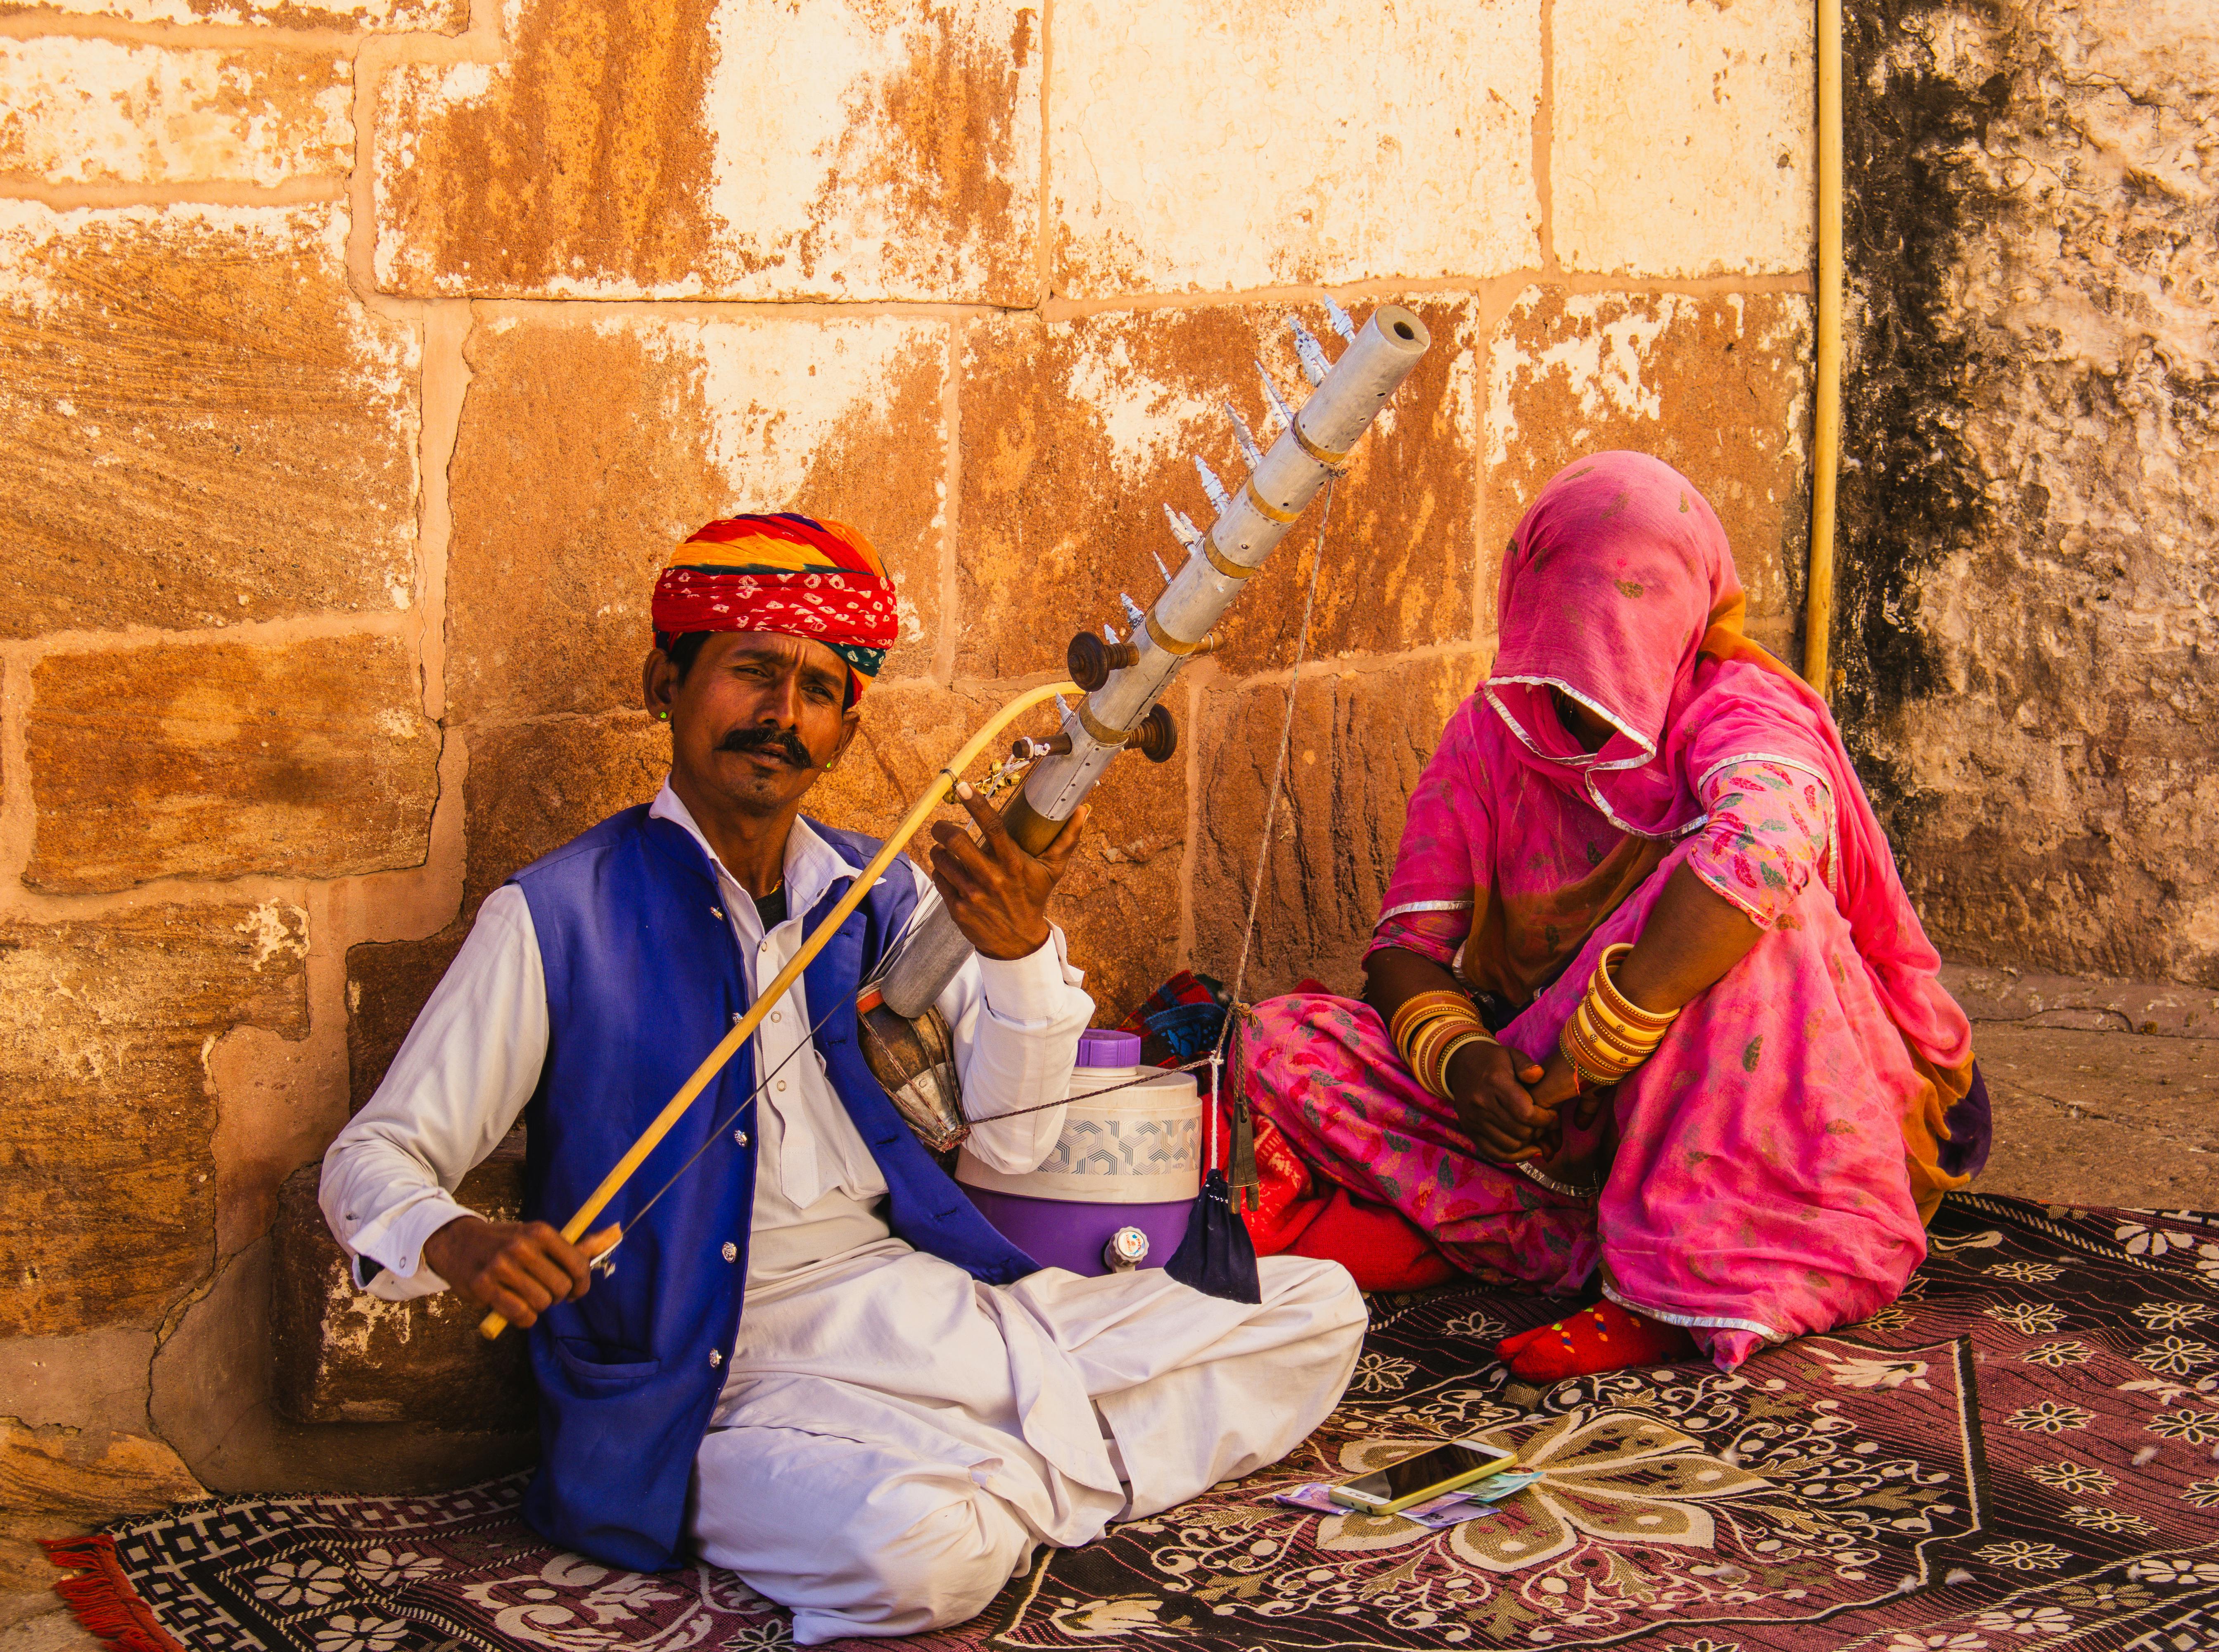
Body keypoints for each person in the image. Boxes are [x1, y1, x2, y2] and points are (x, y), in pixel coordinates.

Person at [322, 512, 1367, 1641]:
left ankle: (1003, 1470)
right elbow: (371, 1156)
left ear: (847, 728)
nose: (782, 717)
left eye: (819, 691)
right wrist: (456, 1240)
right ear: (664, 680)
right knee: (916, 1556)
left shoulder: (884, 897)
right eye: (753, 674)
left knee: (1317, 1310)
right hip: (716, 1382)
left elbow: (1013, 1148)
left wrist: (1016, 950)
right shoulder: (555, 917)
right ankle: (1038, 1465)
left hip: (924, 1309)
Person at [1234, 453, 1989, 1382]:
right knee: (1278, 1041)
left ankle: (1692, 1277)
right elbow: (1407, 949)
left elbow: (1764, 843)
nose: (1597, 653)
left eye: (1633, 609)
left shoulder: (1742, 711)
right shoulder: (1493, 734)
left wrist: (1605, 1032)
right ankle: (1625, 1231)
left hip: (1764, 1091)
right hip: (1555, 1102)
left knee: (1759, 912)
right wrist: (1468, 1061)